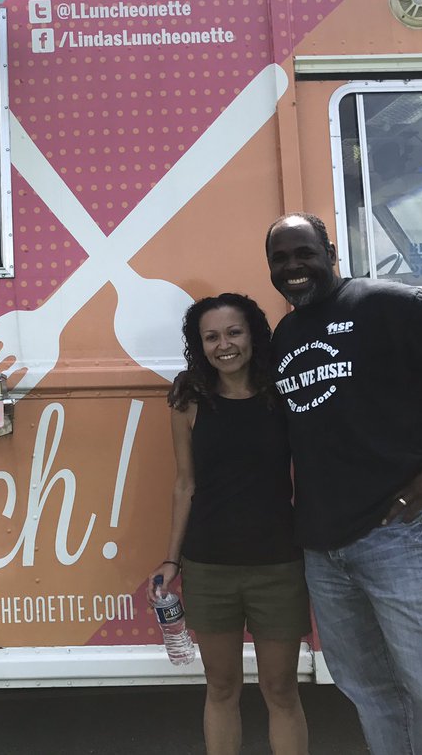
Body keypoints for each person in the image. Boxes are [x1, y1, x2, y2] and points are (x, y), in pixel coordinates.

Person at [264, 212, 422, 755]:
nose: (293, 266)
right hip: (324, 548)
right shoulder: (285, 334)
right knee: (372, 694)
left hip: (398, 533)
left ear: (330, 252)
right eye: (281, 258)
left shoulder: (384, 303)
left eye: (304, 252)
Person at [152, 293, 309, 755]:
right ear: (199, 345)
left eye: (234, 332)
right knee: (221, 689)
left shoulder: (284, 392)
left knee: (281, 690)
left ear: (253, 335)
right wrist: (171, 560)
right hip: (210, 568)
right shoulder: (188, 399)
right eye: (212, 337)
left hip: (279, 566)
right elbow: (185, 484)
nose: (225, 345)